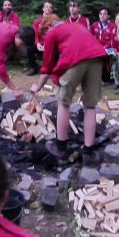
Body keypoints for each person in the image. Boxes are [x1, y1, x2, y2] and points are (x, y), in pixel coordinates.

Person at [30, 15, 108, 165]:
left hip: (75, 58)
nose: (45, 36)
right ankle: (88, 150)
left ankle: (61, 145)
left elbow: (46, 67)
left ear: (48, 27)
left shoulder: (53, 32)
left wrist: (37, 87)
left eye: (44, 33)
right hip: (97, 57)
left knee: (63, 103)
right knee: (90, 106)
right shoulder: (77, 26)